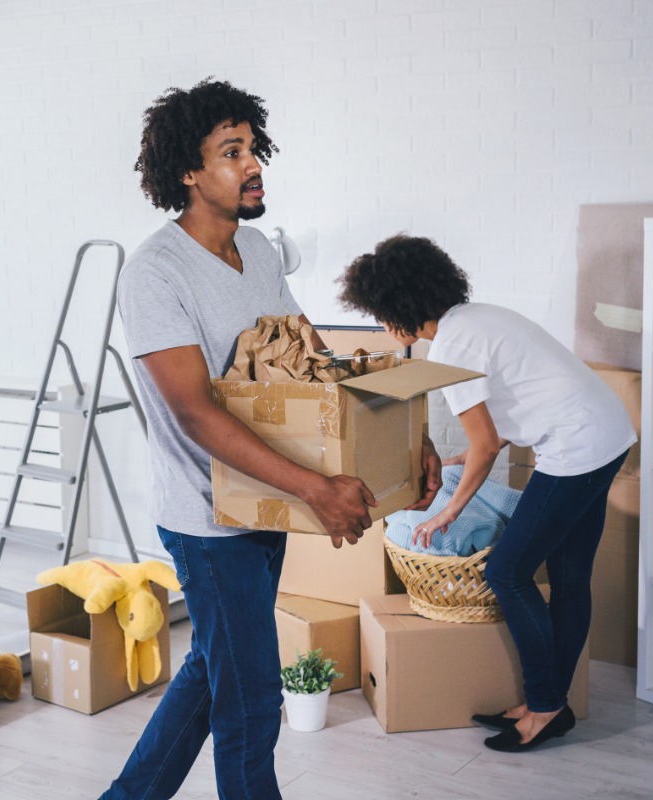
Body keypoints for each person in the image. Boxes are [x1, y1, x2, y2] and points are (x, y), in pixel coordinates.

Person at [103, 79, 441, 799]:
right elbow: (195, 412)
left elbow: (315, 365)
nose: (252, 164)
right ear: (189, 174)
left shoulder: (255, 251)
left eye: (253, 148)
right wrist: (317, 487)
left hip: (264, 506)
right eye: (232, 152)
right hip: (207, 519)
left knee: (212, 670)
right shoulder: (155, 274)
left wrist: (406, 439)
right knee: (253, 703)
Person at [338, 233, 636, 753]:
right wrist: (471, 452)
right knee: (568, 578)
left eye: (383, 314)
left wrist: (447, 512)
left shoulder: (452, 347)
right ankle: (552, 705)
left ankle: (543, 707)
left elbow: (486, 445)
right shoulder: (475, 319)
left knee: (506, 571)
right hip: (606, 433)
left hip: (577, 449)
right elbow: (506, 411)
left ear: (402, 305)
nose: (384, 327)